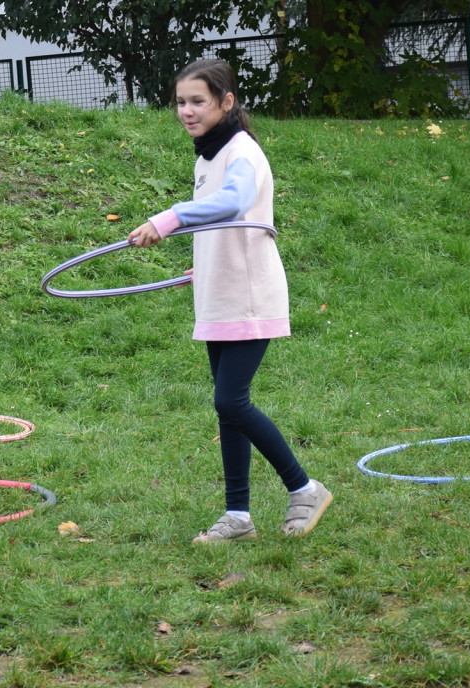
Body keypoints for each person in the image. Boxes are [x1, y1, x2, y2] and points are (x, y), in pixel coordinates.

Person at [128, 59, 332, 543]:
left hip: (248, 296)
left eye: (198, 101)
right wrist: (205, 266)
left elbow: (236, 202)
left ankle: (304, 487)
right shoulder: (207, 158)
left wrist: (169, 217)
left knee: (230, 399)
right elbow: (224, 225)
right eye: (180, 102)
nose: (187, 111)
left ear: (226, 102)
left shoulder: (241, 152)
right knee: (228, 408)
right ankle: (238, 516)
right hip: (218, 292)